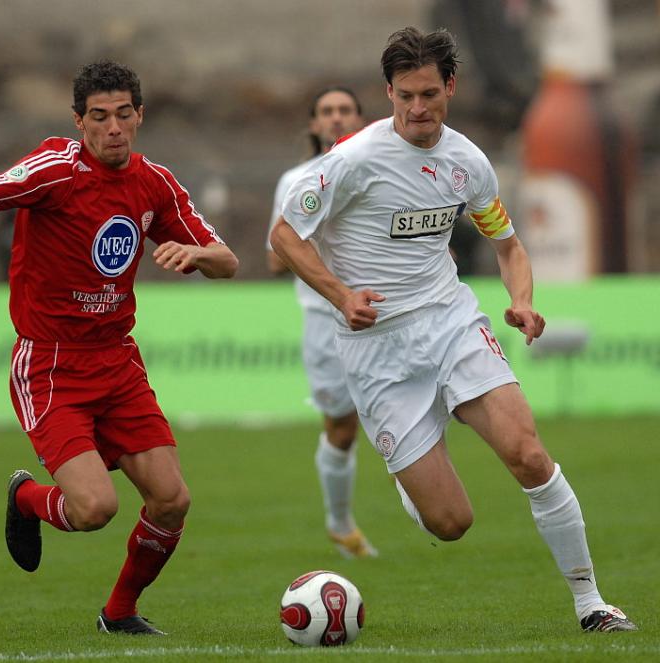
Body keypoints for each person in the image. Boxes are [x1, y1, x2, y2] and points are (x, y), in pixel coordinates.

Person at [269, 27, 636, 632]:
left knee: (528, 454)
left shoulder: (468, 163)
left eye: (429, 94)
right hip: (376, 349)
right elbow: (285, 236)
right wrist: (340, 295)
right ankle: (413, 475)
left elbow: (508, 245)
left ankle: (591, 602)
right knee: (451, 523)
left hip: (450, 322)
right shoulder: (353, 160)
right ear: (389, 92)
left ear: (451, 88)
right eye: (406, 95)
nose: (418, 108)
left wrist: (522, 301)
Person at [0, 60, 238, 636]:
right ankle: (26, 498)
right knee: (95, 509)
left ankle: (119, 614)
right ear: (79, 121)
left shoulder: (155, 184)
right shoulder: (56, 170)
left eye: (123, 114)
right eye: (99, 117)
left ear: (140, 115)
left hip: (118, 361)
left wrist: (197, 254)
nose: (113, 128)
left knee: (172, 500)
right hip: (51, 363)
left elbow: (227, 261)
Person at [266, 87, 377, 558]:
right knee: (342, 429)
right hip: (324, 323)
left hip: (385, 316)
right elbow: (276, 259)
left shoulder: (381, 170)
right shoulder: (295, 180)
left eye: (345, 110)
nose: (336, 118)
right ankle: (340, 523)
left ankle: (429, 506)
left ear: (360, 118)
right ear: (314, 124)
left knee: (412, 416)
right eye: (327, 112)